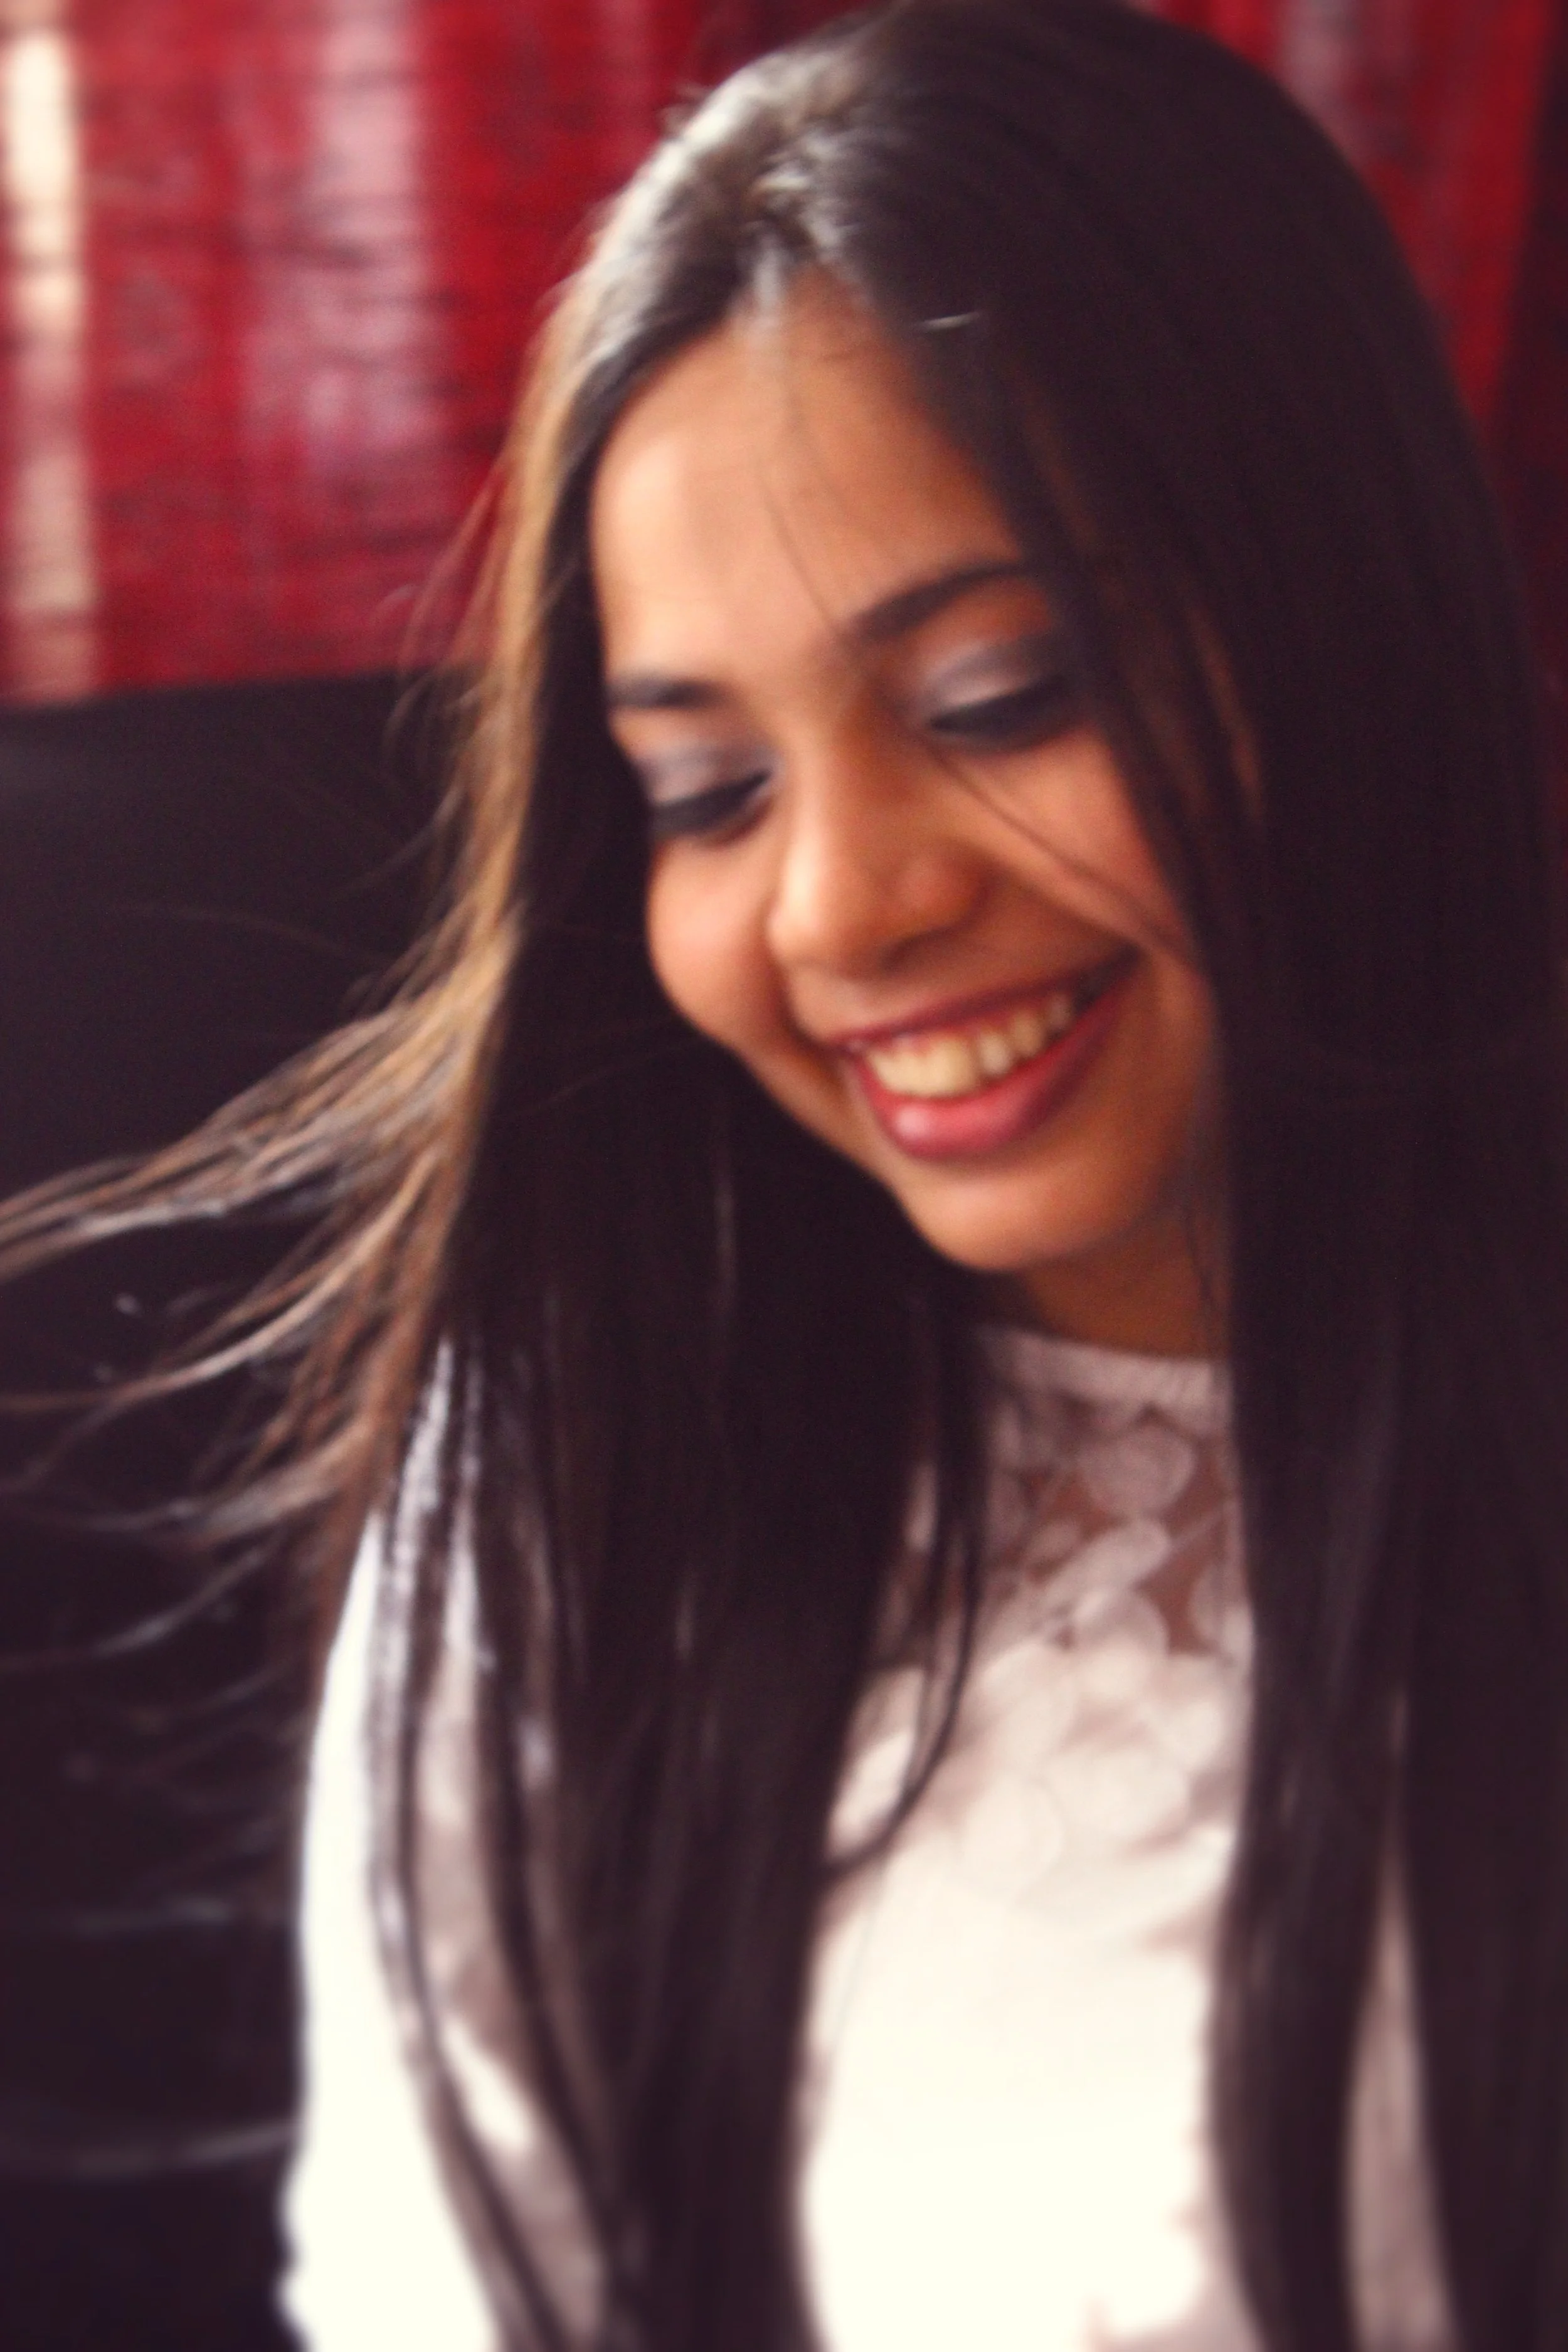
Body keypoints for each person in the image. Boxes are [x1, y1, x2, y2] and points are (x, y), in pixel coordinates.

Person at [7, 1, 1568, 2344]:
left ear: (1332, 622)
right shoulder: (593, 1461)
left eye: (994, 699)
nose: (840, 910)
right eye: (708, 794)